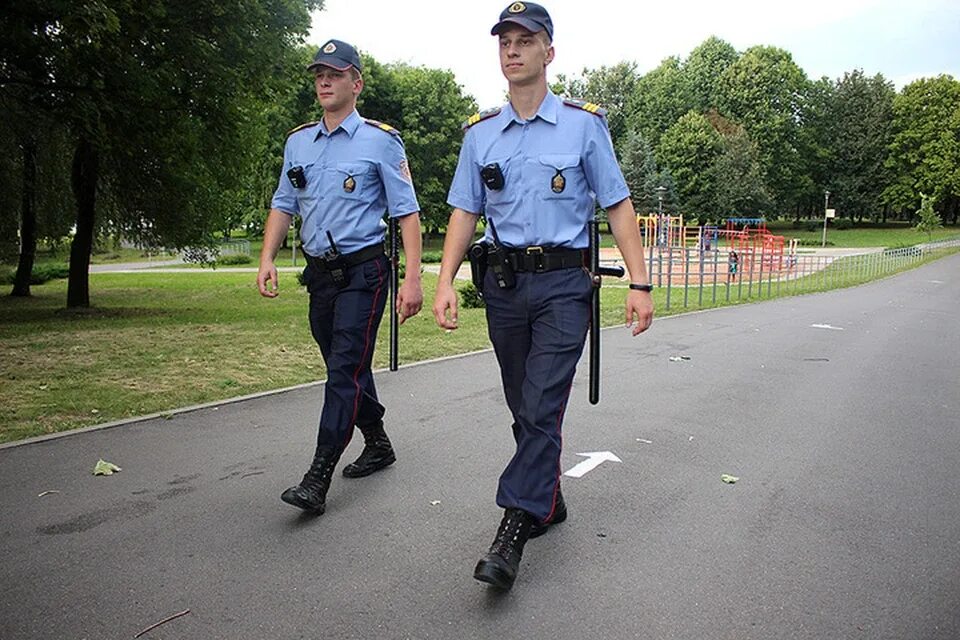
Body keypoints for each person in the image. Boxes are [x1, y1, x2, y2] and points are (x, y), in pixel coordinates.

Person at [432, 2, 654, 590]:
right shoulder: (480, 135)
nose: (512, 49)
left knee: (542, 402)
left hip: (563, 286)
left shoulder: (584, 126)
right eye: (504, 40)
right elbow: (463, 210)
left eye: (525, 39)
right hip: (504, 287)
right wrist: (443, 280)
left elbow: (618, 204)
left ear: (548, 52)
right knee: (522, 403)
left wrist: (639, 282)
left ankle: (513, 526)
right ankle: (548, 496)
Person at [258, 39, 423, 516]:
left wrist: (412, 279)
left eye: (334, 73)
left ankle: (318, 475)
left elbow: (407, 213)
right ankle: (378, 442)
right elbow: (283, 203)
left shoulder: (380, 140)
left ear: (357, 82)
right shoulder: (298, 142)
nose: (324, 81)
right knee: (345, 366)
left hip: (363, 272)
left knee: (343, 368)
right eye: (318, 75)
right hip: (320, 275)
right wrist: (267, 257)